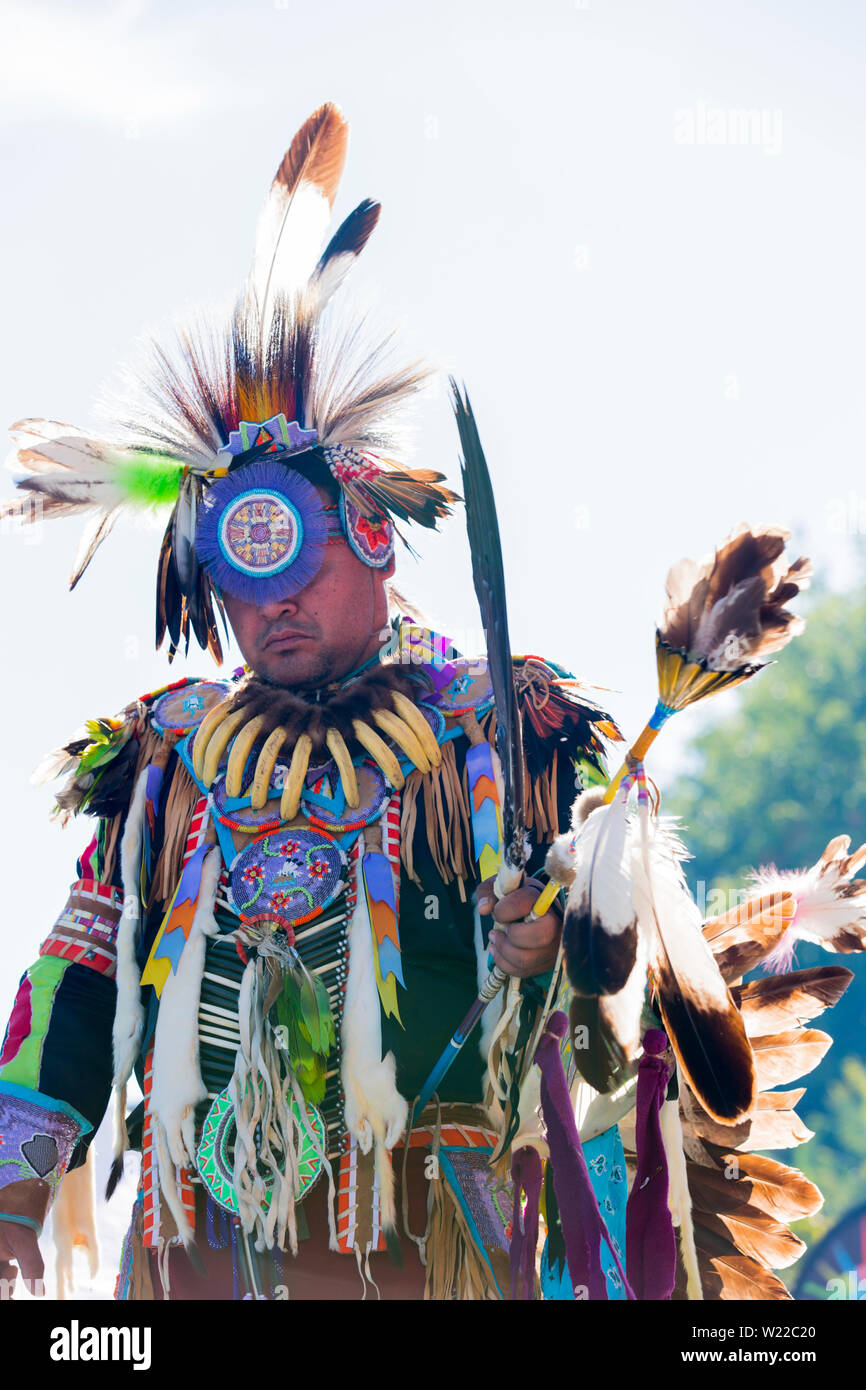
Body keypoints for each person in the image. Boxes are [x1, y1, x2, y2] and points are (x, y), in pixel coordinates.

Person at [1, 103, 861, 1304]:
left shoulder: (496, 736)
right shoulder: (164, 758)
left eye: (300, 567)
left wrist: (549, 947)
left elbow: (616, 1009)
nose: (273, 609)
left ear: (372, 539)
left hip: (429, 1258)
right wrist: (15, 1195)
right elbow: (79, 977)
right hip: (188, 1261)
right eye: (242, 586)